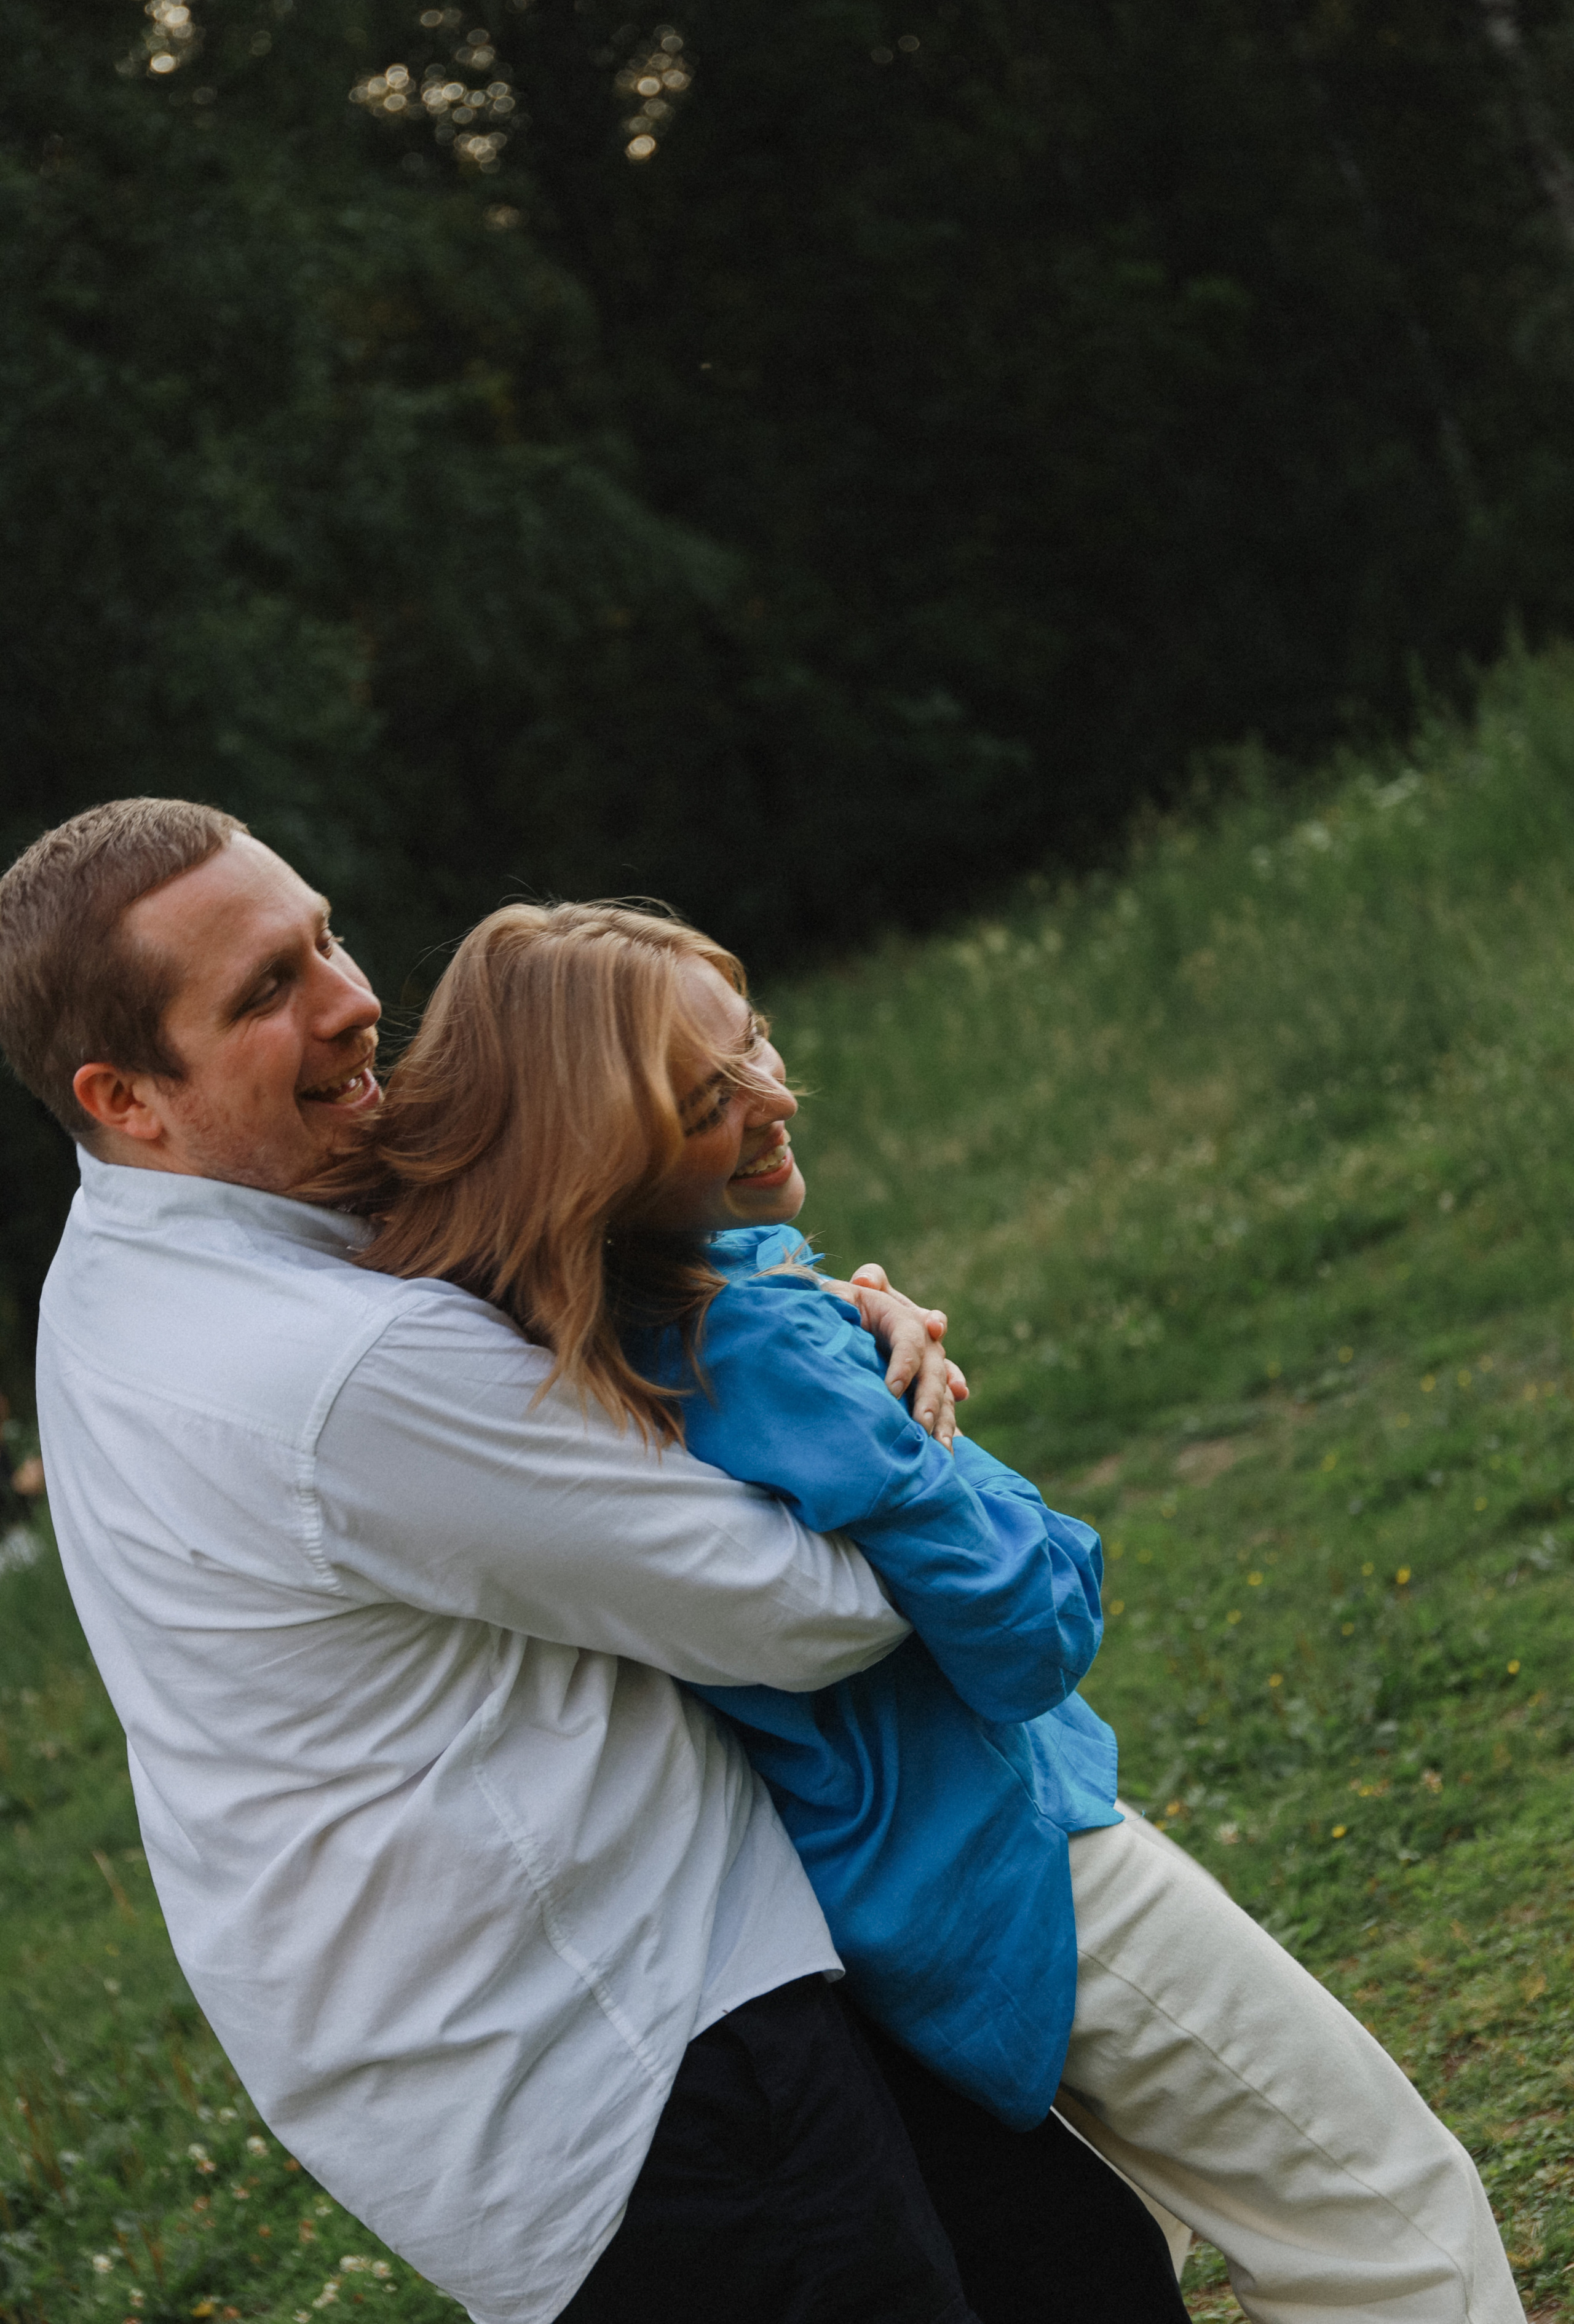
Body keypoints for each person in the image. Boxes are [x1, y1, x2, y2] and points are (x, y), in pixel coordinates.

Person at [0, 799, 1186, 2324]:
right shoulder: (327, 1372)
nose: (355, 1002)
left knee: (1081, 2276)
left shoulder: (129, 1260)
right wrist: (887, 1425)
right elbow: (805, 1611)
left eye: (324, 941)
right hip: (630, 2053)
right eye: (261, 995)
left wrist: (812, 1324)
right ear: (125, 1095)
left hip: (581, 2011)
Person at [321, 897, 1529, 2324]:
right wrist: (935, 1426)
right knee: (1388, 2229)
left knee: (1203, 2222)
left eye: (752, 1040)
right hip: (1024, 1865)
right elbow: (1027, 1629)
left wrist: (846, 1305)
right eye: (709, 1098)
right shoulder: (763, 1348)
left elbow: (754, 1307)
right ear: (608, 1153)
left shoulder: (590, 1334)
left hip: (887, 1893)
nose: (773, 1097)